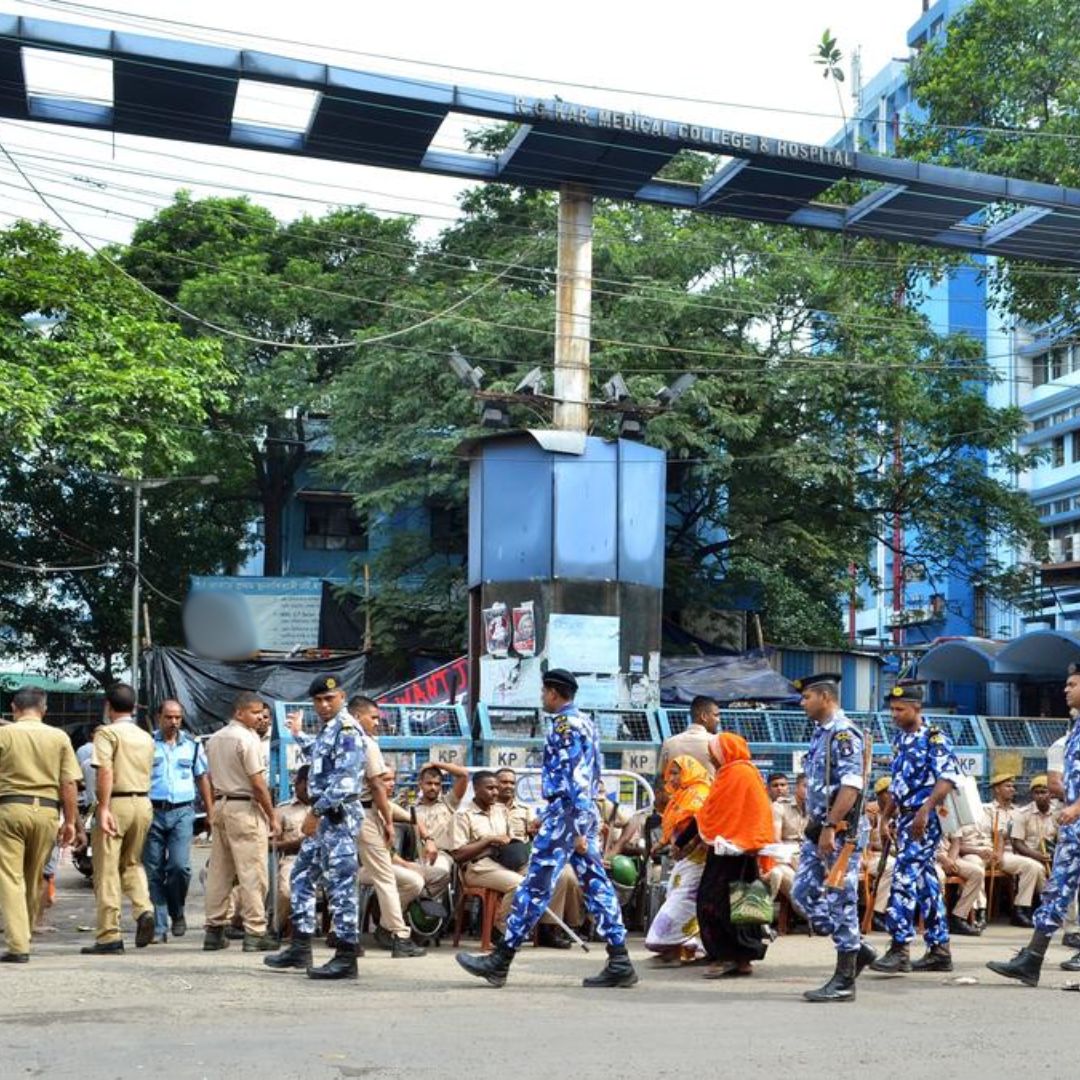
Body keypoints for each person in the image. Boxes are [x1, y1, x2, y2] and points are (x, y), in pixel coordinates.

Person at [457, 669, 637, 988]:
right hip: (579, 813)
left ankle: (501, 959)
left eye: (544, 692)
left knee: (534, 885)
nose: (542, 698)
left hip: (568, 815)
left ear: (553, 693)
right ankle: (620, 959)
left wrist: (573, 825)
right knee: (596, 884)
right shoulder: (586, 723)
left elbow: (575, 777)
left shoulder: (563, 725)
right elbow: (592, 774)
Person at [265, 677, 367, 979]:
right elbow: (320, 757)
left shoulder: (347, 730)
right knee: (301, 877)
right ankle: (300, 946)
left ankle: (347, 957)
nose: (323, 705)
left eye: (329, 698)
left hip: (337, 818)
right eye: (318, 700)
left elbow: (346, 781)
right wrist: (297, 735)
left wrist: (315, 812)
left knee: (341, 887)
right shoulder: (330, 729)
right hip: (324, 822)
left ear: (342, 697)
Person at [989, 664, 1080, 986]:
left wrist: (1077, 806)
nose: (1065, 690)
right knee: (1057, 890)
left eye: (1072, 684)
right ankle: (1032, 959)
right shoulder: (1074, 732)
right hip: (1074, 830)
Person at [789, 673, 876, 1003]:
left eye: (807, 697)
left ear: (825, 697)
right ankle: (857, 947)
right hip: (819, 829)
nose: (802, 703)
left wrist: (830, 825)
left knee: (841, 898)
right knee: (802, 892)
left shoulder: (843, 733)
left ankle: (845, 979)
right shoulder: (821, 733)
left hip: (840, 832)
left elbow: (851, 786)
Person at [870, 682, 962, 975]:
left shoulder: (934, 738)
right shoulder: (901, 739)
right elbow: (899, 784)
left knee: (903, 877)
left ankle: (899, 948)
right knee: (925, 883)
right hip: (906, 816)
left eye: (900, 709)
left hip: (925, 818)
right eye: (892, 710)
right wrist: (886, 817)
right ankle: (939, 949)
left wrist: (925, 810)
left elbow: (946, 778)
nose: (894, 714)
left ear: (917, 708)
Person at [672, 733, 775, 978]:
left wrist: (681, 842)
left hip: (727, 853)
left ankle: (726, 955)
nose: (712, 759)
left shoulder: (732, 775)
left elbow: (707, 815)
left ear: (724, 753)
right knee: (748, 900)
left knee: (713, 902)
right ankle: (744, 958)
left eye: (713, 754)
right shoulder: (750, 773)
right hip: (747, 851)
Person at [0, 686, 81, 962]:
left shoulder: (4, 735)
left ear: (14, 708)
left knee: (10, 877)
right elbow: (69, 783)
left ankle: (18, 944)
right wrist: (70, 822)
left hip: (10, 808)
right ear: (44, 709)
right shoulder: (59, 737)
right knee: (35, 877)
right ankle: (25, 933)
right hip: (47, 812)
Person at [79, 683, 156, 956]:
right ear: (134, 707)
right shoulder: (145, 737)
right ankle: (144, 908)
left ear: (108, 706)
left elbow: (105, 772)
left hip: (116, 803)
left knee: (107, 870)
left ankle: (109, 935)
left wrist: (103, 808)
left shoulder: (107, 733)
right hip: (143, 803)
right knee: (132, 863)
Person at [347, 696, 425, 958]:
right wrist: (388, 822)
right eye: (373, 717)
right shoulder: (366, 742)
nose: (376, 723)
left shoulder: (340, 739)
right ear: (357, 716)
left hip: (341, 813)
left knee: (341, 877)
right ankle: (399, 936)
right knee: (385, 878)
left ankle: (343, 936)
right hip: (363, 812)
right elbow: (377, 785)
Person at [202, 692, 278, 953]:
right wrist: (272, 816)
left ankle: (214, 930)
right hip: (245, 808)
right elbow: (258, 784)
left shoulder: (215, 739)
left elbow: (209, 777)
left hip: (221, 804)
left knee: (219, 872)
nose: (259, 718)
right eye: (254, 713)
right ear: (239, 713)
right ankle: (255, 931)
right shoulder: (247, 739)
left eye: (261, 713)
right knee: (252, 872)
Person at [142, 699, 213, 943]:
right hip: (152, 811)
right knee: (153, 870)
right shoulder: (147, 744)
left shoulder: (192, 745)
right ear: (158, 717)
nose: (173, 722)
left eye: (178, 718)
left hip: (182, 812)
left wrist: (210, 811)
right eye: (169, 717)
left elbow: (202, 778)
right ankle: (160, 927)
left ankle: (177, 911)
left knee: (179, 867)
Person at [644, 755, 710, 963]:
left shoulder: (700, 793)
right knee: (678, 896)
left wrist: (687, 847)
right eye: (669, 774)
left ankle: (666, 942)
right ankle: (685, 947)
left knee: (683, 901)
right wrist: (663, 843)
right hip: (683, 860)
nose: (671, 778)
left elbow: (700, 827)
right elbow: (673, 826)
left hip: (698, 860)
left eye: (675, 773)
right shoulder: (680, 796)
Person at [983, 772, 1047, 927]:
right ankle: (1023, 909)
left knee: (1038, 867)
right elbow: (992, 833)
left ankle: (1036, 908)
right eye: (1008, 786)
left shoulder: (1018, 811)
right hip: (998, 852)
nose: (1013, 789)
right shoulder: (987, 809)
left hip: (1017, 852)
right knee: (1032, 866)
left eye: (1013, 786)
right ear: (997, 789)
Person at [412, 761, 469, 902]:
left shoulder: (448, 803)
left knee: (440, 872)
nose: (433, 787)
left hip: (440, 856)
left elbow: (463, 775)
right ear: (420, 784)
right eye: (429, 783)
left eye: (437, 784)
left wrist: (434, 763)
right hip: (413, 857)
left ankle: (421, 900)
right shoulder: (410, 808)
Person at [272, 765, 311, 936]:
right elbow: (270, 844)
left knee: (342, 885)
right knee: (286, 892)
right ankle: (277, 928)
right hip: (293, 858)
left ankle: (337, 933)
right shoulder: (283, 810)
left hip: (322, 859)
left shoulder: (326, 808)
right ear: (298, 784)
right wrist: (297, 843)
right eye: (307, 785)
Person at [765, 771, 808, 901]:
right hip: (786, 857)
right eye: (775, 785)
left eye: (783, 785)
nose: (780, 788)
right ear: (797, 787)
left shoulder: (815, 808)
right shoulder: (778, 806)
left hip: (807, 856)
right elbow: (776, 839)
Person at [658, 696, 720, 778]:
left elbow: (662, 776)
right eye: (716, 715)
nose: (718, 720)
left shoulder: (669, 743)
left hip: (678, 787)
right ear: (704, 716)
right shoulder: (716, 742)